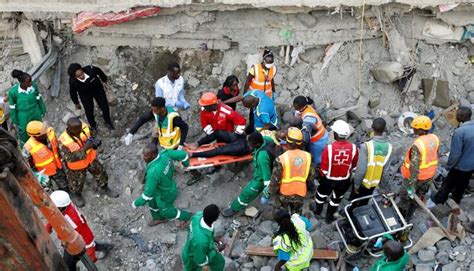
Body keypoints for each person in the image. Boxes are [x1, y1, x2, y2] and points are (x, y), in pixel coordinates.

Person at [47, 190, 114, 271]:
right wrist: (49, 226)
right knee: (71, 260)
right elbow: (54, 215)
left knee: (69, 262)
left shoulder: (73, 220)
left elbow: (85, 236)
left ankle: (102, 247)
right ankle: (105, 246)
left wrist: (91, 253)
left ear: (60, 207)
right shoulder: (64, 206)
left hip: (75, 241)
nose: (51, 207)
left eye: (53, 205)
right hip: (70, 239)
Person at [58, 117, 118, 207]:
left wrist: (93, 142)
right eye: (77, 130)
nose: (79, 131)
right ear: (69, 129)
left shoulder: (84, 127)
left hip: (91, 159)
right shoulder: (63, 141)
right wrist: (85, 148)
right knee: (76, 182)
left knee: (101, 173)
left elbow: (91, 135)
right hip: (77, 167)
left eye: (80, 128)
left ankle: (104, 187)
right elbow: (69, 158)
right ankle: (77, 194)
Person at [132, 143, 192, 226]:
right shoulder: (165, 154)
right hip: (167, 184)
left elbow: (147, 194)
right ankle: (157, 218)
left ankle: (188, 217)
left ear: (153, 155)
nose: (143, 157)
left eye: (146, 155)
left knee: (166, 212)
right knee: (151, 201)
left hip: (165, 193)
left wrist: (136, 203)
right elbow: (183, 154)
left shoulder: (153, 172)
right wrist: (186, 165)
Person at [222, 132, 278, 217]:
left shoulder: (262, 157)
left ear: (258, 144)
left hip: (260, 178)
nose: (249, 146)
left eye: (251, 144)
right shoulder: (266, 139)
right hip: (266, 168)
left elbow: (267, 178)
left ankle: (234, 208)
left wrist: (266, 194)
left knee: (247, 193)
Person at [312, 120, 358, 223]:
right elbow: (354, 165)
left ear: (336, 134)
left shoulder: (329, 149)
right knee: (336, 199)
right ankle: (329, 217)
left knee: (321, 195)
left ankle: (318, 211)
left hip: (328, 179)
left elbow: (324, 169)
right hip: (344, 180)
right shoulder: (354, 148)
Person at [399, 116, 439, 221]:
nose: (413, 130)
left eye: (415, 128)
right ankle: (410, 213)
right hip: (429, 176)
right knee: (420, 195)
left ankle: (402, 217)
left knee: (405, 196)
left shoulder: (418, 145)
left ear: (421, 129)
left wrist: (410, 188)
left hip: (415, 178)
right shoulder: (434, 138)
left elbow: (414, 169)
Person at [267, 127, 314, 214]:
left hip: (284, 192)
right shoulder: (308, 156)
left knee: (282, 213)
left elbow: (275, 179)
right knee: (296, 214)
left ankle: (284, 225)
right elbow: (311, 176)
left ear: (287, 141)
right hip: (300, 192)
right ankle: (296, 226)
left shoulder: (281, 159)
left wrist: (270, 191)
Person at [433, 107, 474, 204]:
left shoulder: (460, 132)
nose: (456, 115)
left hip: (459, 167)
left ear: (461, 116)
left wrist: (447, 168)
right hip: (471, 166)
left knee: (447, 186)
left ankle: (438, 205)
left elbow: (455, 154)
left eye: (457, 114)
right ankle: (455, 203)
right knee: (461, 186)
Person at [350, 118, 393, 206]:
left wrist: (356, 185)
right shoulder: (389, 147)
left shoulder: (366, 146)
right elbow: (385, 172)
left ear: (372, 127)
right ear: (384, 129)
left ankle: (349, 214)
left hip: (362, 182)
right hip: (373, 183)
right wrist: (383, 187)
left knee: (354, 200)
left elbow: (361, 170)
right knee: (363, 202)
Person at [22, 121, 68, 191]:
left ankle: (65, 192)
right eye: (43, 133)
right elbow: (26, 164)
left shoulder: (50, 133)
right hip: (44, 173)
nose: (46, 133)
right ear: (35, 136)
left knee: (64, 185)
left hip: (57, 167)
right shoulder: (28, 147)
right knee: (48, 191)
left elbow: (57, 146)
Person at [67, 63, 114, 131]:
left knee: (104, 107)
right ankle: (93, 126)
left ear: (82, 69)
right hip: (85, 95)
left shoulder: (90, 70)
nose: (82, 76)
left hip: (97, 90)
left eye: (82, 73)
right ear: (74, 77)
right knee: (89, 111)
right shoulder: (73, 82)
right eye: (79, 76)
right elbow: (72, 92)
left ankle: (108, 122)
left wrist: (104, 80)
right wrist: (76, 103)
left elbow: (99, 71)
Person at [182, 204, 225, 271]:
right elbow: (200, 261)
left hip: (194, 248)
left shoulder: (198, 216)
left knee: (220, 262)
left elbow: (203, 234)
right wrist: (216, 249)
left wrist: (213, 238)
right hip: (193, 257)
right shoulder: (202, 241)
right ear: (215, 219)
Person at [8, 69, 46, 144]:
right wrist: (15, 120)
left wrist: (42, 109)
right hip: (23, 115)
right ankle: (27, 147)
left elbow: (38, 97)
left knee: (39, 128)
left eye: (31, 81)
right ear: (22, 83)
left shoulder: (33, 86)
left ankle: (42, 143)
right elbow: (12, 107)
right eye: (28, 82)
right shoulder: (13, 92)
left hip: (35, 111)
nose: (31, 83)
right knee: (25, 131)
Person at [293, 96, 328, 166]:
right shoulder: (307, 107)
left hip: (318, 139)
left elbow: (306, 137)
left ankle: (319, 166)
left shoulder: (309, 118)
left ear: (302, 107)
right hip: (322, 133)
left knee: (316, 158)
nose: (294, 108)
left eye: (296, 107)